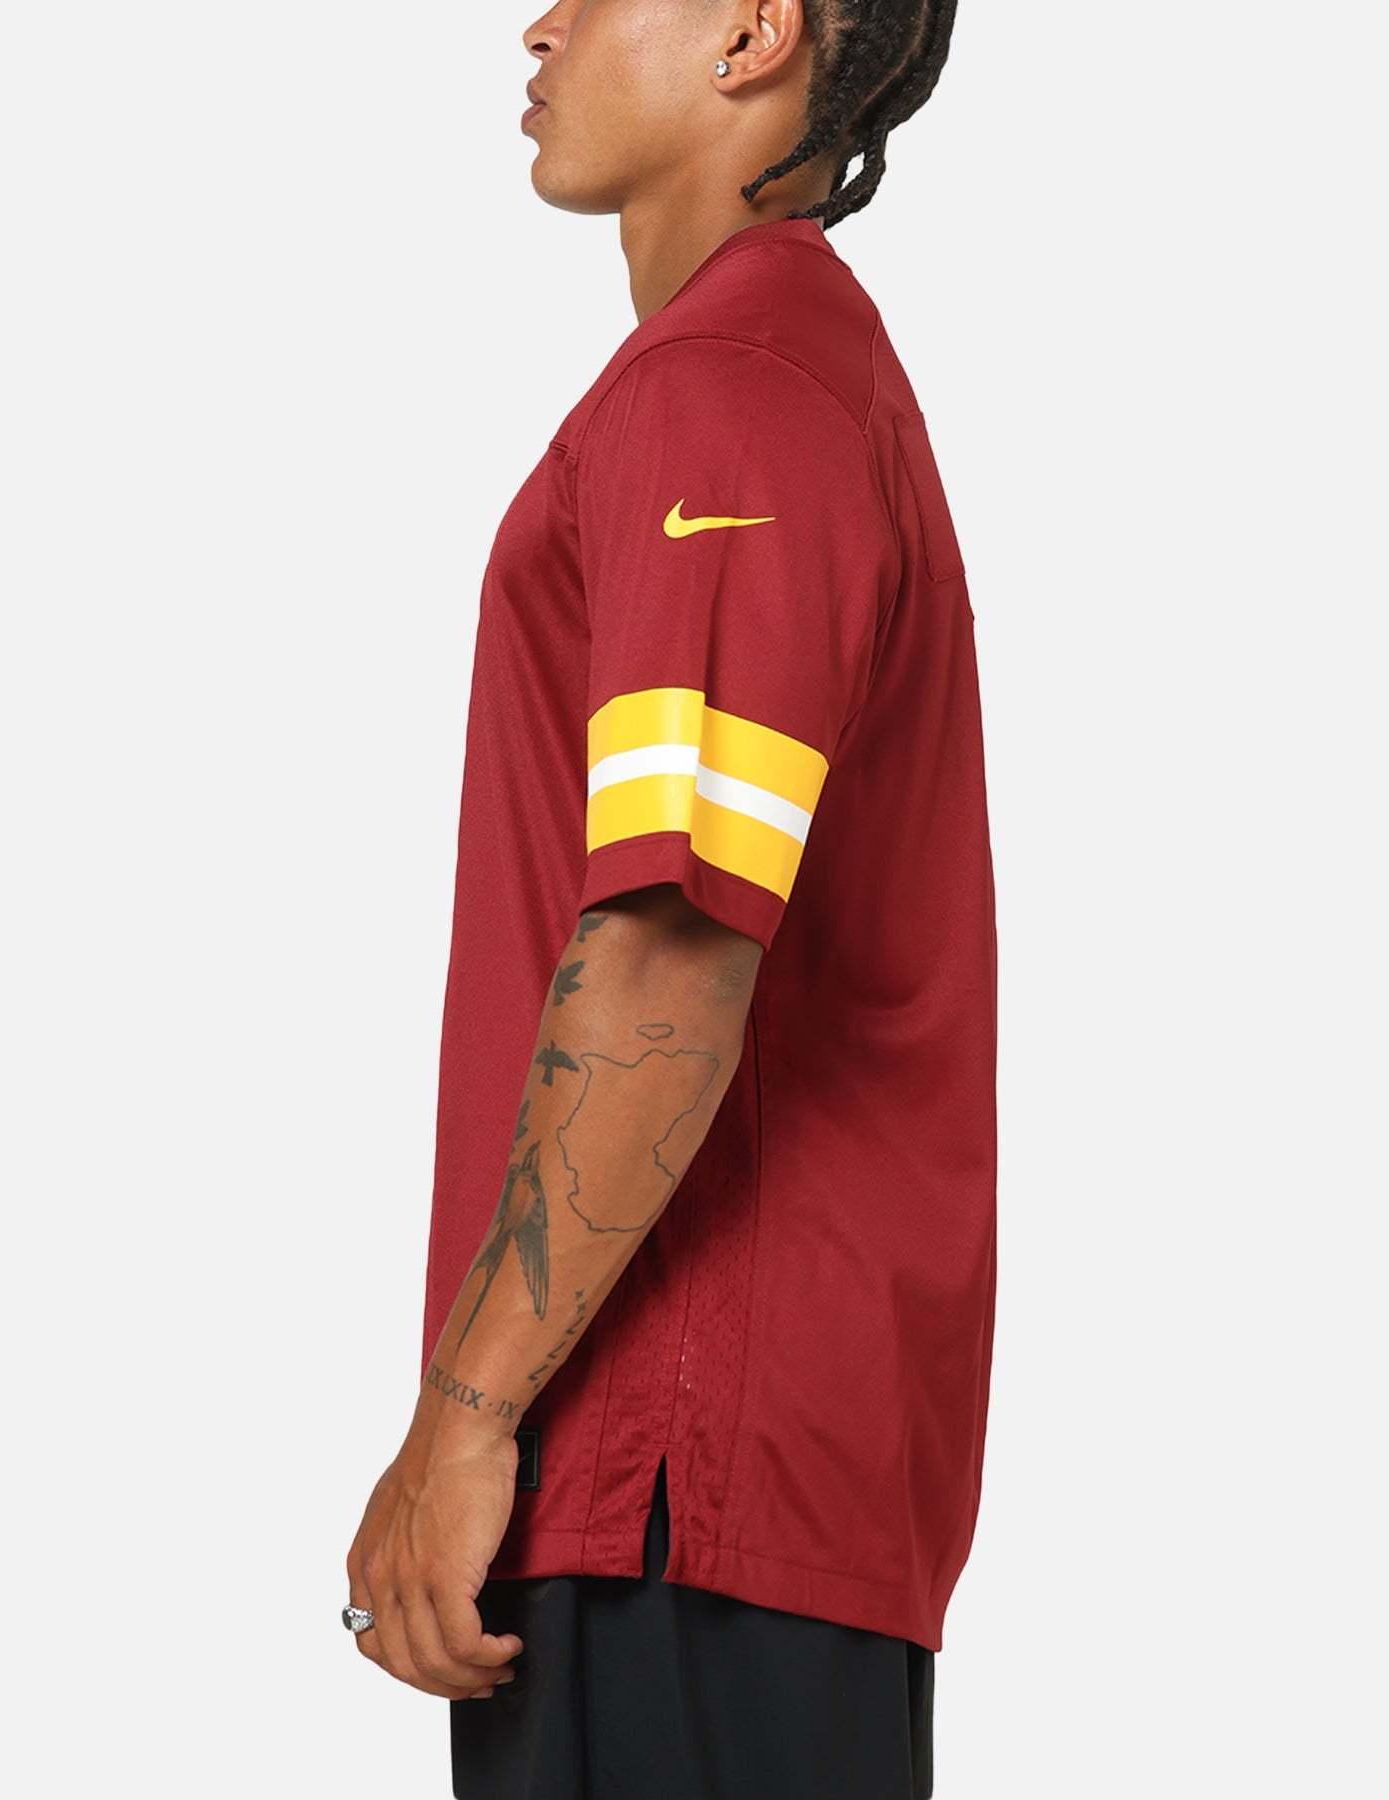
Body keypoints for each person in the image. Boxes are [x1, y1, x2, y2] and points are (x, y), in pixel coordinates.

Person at [345, 2, 994, 1794]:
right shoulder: (772, 374)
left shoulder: (733, 393)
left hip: (674, 1470)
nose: (541, 23)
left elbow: (673, 941)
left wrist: (466, 1413)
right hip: (715, 1479)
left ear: (755, 32)